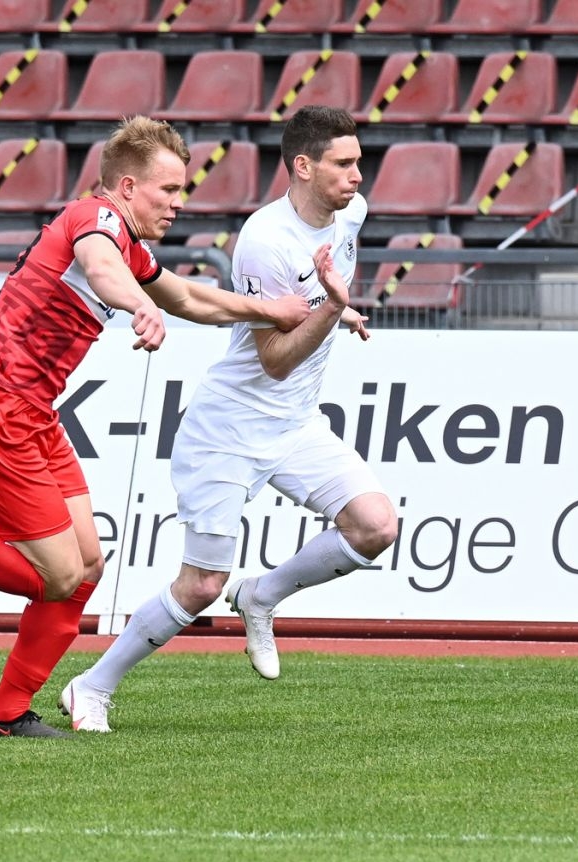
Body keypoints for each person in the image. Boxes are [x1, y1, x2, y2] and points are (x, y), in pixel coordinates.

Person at [0, 116, 312, 737]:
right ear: (128, 186)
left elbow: (190, 299)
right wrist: (139, 305)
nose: (178, 203)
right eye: (168, 190)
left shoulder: (127, 242)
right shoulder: (97, 218)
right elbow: (104, 269)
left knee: (86, 568)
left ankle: (5, 716)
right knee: (56, 575)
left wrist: (271, 311)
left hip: (31, 414)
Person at [58, 107, 397, 733]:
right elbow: (275, 360)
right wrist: (332, 310)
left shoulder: (352, 213)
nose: (358, 176)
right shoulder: (265, 241)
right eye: (344, 164)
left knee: (376, 526)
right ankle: (92, 686)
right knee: (201, 584)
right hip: (231, 428)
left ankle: (262, 595)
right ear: (302, 166)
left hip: (295, 423)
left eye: (359, 162)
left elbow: (314, 303)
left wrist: (336, 311)